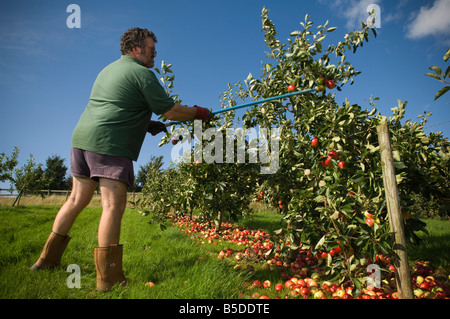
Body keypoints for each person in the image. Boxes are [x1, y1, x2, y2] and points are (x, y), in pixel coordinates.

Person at [30, 27, 213, 291]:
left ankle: (45, 261)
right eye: (151, 49)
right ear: (136, 48)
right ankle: (109, 278)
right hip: (110, 144)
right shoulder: (143, 74)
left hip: (82, 139)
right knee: (112, 206)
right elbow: (171, 111)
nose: (154, 54)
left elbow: (116, 103)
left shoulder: (109, 70)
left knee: (75, 200)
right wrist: (199, 112)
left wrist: (145, 122)